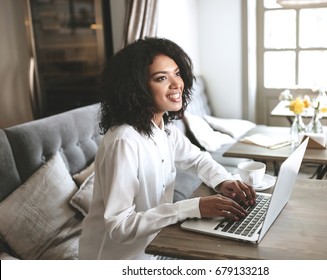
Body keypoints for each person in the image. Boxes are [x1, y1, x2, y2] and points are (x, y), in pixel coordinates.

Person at [79, 37, 256, 260]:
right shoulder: (124, 141)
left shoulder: (164, 128)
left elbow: (197, 159)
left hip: (154, 245)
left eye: (177, 73)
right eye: (162, 78)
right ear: (137, 88)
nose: (176, 84)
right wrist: (194, 207)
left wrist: (223, 180)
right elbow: (120, 226)